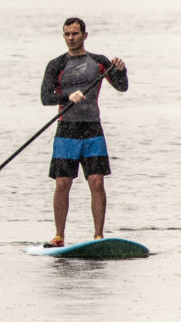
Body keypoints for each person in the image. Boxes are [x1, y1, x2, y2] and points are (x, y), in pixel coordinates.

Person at [40, 17, 128, 247]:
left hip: (92, 129)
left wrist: (122, 70)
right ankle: (59, 236)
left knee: (97, 182)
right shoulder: (56, 64)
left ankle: (98, 236)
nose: (71, 38)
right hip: (66, 130)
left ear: (84, 35)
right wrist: (66, 96)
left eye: (75, 34)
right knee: (62, 184)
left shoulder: (99, 62)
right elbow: (45, 97)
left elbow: (121, 86)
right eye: (67, 34)